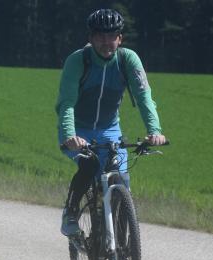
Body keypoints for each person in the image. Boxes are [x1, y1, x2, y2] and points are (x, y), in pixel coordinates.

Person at [55, 8, 167, 236]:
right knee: (89, 165)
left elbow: (145, 96)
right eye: (100, 36)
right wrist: (69, 135)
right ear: (91, 38)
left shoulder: (128, 60)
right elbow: (66, 103)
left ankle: (125, 253)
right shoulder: (78, 61)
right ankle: (71, 213)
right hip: (78, 130)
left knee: (120, 184)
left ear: (120, 38)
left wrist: (154, 130)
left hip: (109, 129)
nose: (106, 41)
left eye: (111, 36)